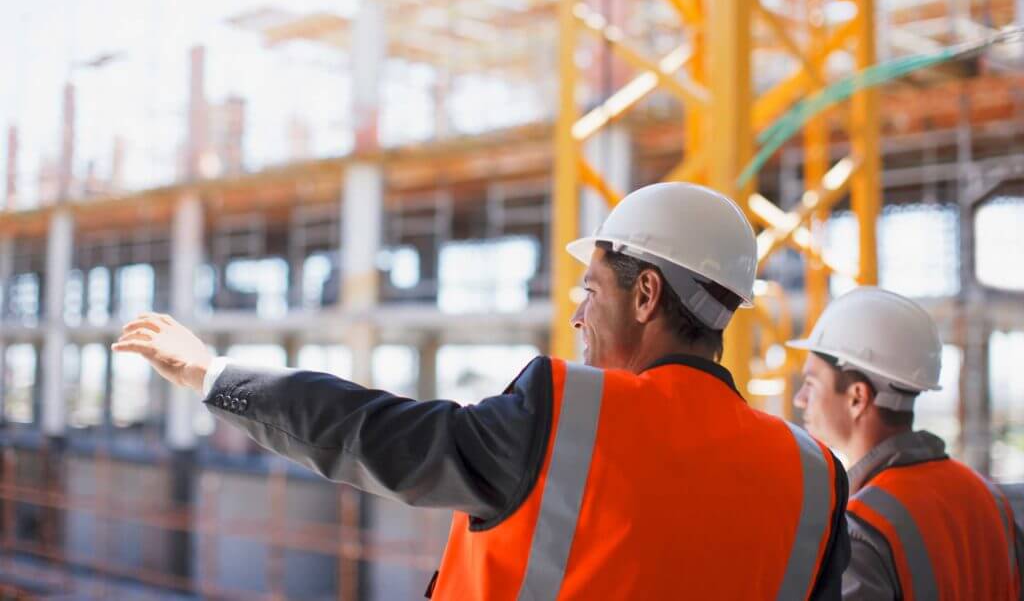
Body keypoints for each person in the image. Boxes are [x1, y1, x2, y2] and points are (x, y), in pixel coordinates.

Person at [114, 182, 849, 599]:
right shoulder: (814, 476)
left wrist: (211, 374)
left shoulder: (569, 412)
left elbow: (371, 432)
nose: (577, 312)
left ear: (647, 294)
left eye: (590, 289)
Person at [790, 286, 1024, 600]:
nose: (800, 399)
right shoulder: (989, 498)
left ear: (857, 397)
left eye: (810, 383)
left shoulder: (864, 526)